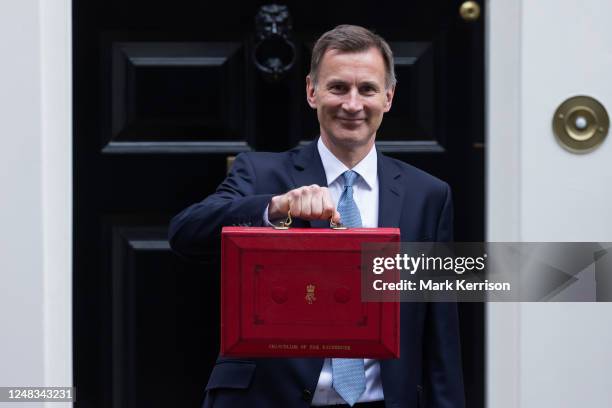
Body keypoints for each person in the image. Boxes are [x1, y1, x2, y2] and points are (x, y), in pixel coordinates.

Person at [169, 25, 464, 408]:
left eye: (368, 89)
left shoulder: (428, 195)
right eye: (338, 87)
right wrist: (274, 208)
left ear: (388, 97)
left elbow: (440, 335)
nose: (353, 104)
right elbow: (186, 233)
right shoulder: (261, 174)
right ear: (312, 92)